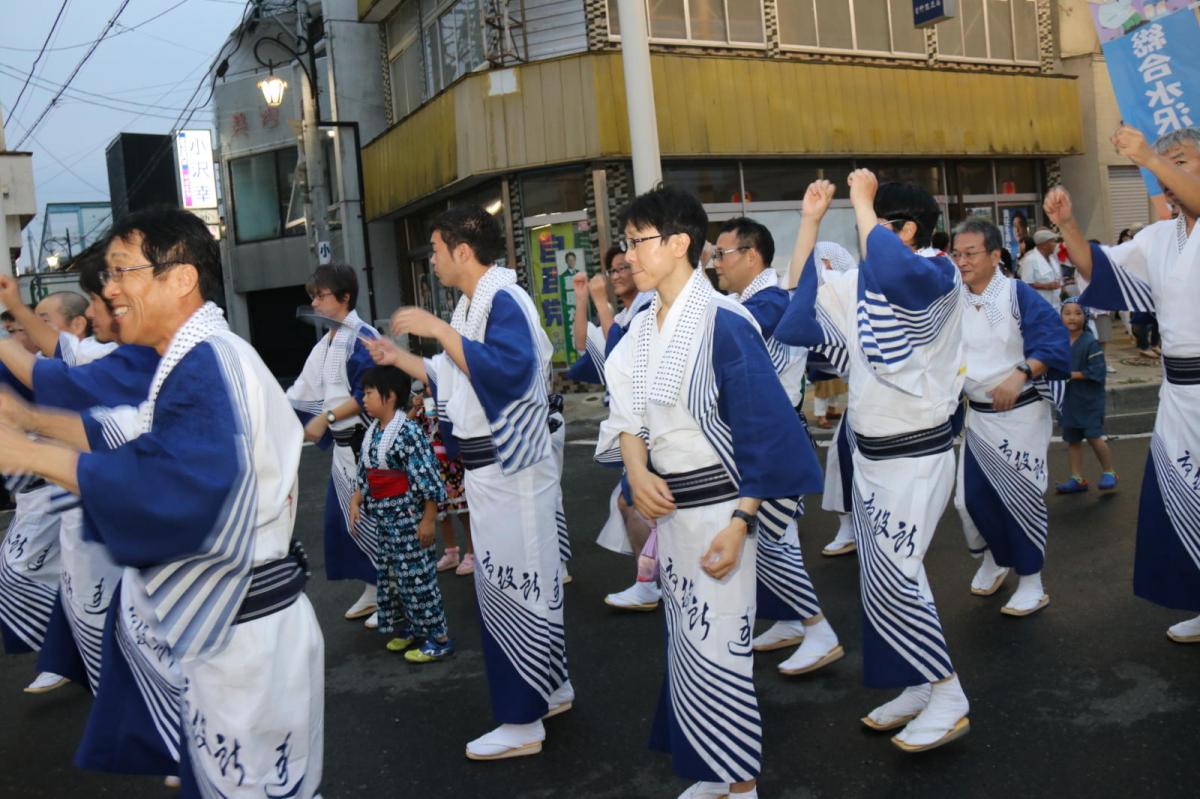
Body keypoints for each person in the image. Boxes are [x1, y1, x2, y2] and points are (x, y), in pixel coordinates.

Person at [0, 207, 324, 796]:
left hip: (241, 632)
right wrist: (25, 423)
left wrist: (31, 452)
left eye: (123, 271)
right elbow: (132, 430)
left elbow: (175, 489)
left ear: (181, 277)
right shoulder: (200, 358)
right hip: (237, 626)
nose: (111, 288)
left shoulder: (208, 363)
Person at [598, 185, 822, 799]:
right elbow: (627, 415)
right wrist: (637, 472)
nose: (629, 256)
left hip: (721, 506)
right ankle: (716, 773)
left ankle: (741, 785)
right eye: (627, 242)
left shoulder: (726, 322)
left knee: (720, 645)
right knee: (688, 644)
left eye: (638, 242)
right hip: (671, 511)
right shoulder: (643, 325)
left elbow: (763, 430)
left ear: (678, 244)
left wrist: (742, 521)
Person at [365, 205, 571, 761]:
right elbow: (454, 375)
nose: (430, 260)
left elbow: (505, 371)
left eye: (434, 250)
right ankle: (550, 688)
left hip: (509, 470)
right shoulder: (478, 303)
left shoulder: (503, 300)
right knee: (527, 586)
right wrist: (400, 358)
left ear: (461, 250)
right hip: (498, 471)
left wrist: (433, 329)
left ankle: (522, 721)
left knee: (514, 591)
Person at [777, 172, 971, 753]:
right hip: (872, 454)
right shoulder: (867, 279)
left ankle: (949, 691)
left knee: (900, 576)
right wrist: (810, 222)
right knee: (886, 580)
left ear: (906, 229)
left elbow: (896, 274)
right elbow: (800, 297)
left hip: (916, 453)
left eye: (877, 221)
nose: (867, 232)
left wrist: (862, 199)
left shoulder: (938, 272)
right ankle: (920, 682)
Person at [1045, 124, 1200, 643]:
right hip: (1178, 390)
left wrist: (1151, 160)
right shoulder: (1159, 237)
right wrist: (1068, 226)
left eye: (1182, 160)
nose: (1171, 172)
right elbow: (1101, 272)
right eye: (1166, 163)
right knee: (1179, 495)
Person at [711, 217, 842, 676]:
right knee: (770, 540)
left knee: (768, 542)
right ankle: (790, 619)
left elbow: (739, 325)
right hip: (764, 435)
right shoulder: (746, 299)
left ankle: (819, 629)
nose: (715, 265)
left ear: (752, 256)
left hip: (772, 436)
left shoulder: (767, 301)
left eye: (721, 255)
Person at [949, 217, 1070, 617]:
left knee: (1020, 499)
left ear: (996, 255)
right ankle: (994, 558)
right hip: (978, 417)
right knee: (970, 501)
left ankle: (1033, 582)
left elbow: (1052, 342)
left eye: (971, 253)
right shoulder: (954, 298)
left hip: (1019, 414)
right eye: (957, 253)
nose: (962, 261)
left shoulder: (1018, 294)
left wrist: (1020, 374)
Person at [286, 264, 381, 626]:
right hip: (345, 451)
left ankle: (391, 593)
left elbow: (368, 395)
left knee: (376, 522)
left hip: (368, 447)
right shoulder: (327, 341)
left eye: (320, 295)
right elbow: (302, 392)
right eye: (313, 295)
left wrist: (323, 418)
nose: (314, 301)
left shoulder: (362, 335)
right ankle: (374, 588)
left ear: (344, 298)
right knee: (344, 523)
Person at [568, 246, 658, 610]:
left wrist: (601, 302)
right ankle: (653, 579)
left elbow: (617, 352)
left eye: (624, 267)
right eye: (613, 269)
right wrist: (581, 300)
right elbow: (581, 344)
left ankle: (649, 582)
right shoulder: (626, 312)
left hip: (646, 422)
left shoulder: (649, 306)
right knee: (636, 503)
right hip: (630, 424)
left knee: (634, 502)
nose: (618, 274)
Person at [349, 366, 453, 661]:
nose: (364, 398)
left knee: (418, 577)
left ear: (390, 396)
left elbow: (428, 477)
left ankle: (439, 637)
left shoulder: (407, 432)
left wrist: (428, 519)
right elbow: (366, 473)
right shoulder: (373, 432)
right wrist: (357, 499)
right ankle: (413, 627)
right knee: (395, 577)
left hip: (409, 519)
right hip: (385, 522)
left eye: (369, 393)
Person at [806, 242, 859, 558]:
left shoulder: (851, 289)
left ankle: (863, 528)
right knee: (842, 459)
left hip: (882, 400)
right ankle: (849, 526)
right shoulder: (826, 296)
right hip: (859, 398)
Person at [410, 383, 476, 576]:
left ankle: (473, 553)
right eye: (426, 387)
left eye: (432, 385)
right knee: (441, 512)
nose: (429, 390)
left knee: (463, 511)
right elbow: (407, 423)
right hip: (433, 466)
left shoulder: (451, 405)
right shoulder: (424, 408)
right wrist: (415, 407)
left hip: (452, 465)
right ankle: (451, 551)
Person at [1055, 299, 1118, 494]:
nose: (1072, 317)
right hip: (1068, 400)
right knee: (1073, 439)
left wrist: (1070, 374)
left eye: (1077, 313)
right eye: (1067, 313)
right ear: (1060, 316)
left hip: (1089, 400)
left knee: (1094, 436)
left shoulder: (1090, 343)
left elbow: (1097, 372)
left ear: (1086, 317)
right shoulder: (1057, 341)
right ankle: (1077, 478)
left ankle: (1109, 472)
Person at [1019, 229, 1063, 311]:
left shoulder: (1053, 259)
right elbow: (1025, 285)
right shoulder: (1030, 259)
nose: (1056, 245)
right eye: (1053, 242)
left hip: (1056, 306)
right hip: (1039, 308)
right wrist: (1046, 286)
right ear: (1044, 245)